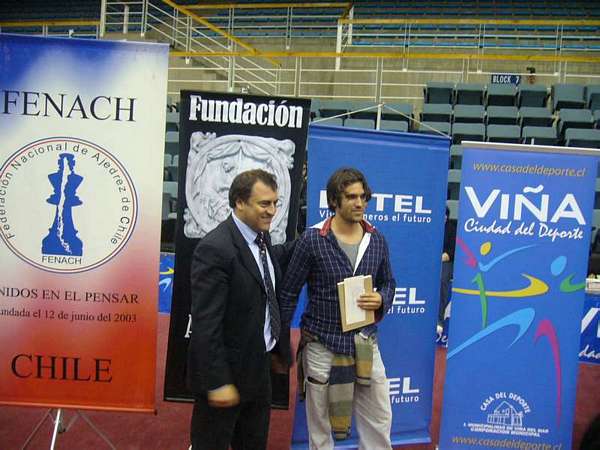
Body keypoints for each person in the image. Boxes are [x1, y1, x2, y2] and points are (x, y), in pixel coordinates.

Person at [280, 167, 396, 450]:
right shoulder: (312, 240)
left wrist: (381, 298)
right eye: (351, 197)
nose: (359, 203)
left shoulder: (376, 239)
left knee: (379, 419)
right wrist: (280, 343)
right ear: (334, 200)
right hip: (322, 344)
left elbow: (389, 282)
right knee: (320, 426)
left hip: (366, 344)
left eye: (363, 197)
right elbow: (289, 292)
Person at [187, 169, 286, 450]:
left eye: (275, 203)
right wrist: (218, 382)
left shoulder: (262, 239)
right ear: (240, 202)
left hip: (259, 370)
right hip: (225, 375)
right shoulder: (215, 248)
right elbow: (206, 324)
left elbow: (262, 296)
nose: (272, 211)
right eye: (264, 203)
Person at [438, 206, 456, 332]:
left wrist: (442, 257)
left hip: (446, 261)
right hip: (430, 263)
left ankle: (439, 320)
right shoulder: (431, 227)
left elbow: (453, 251)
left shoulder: (451, 229)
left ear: (446, 217)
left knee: (442, 279)